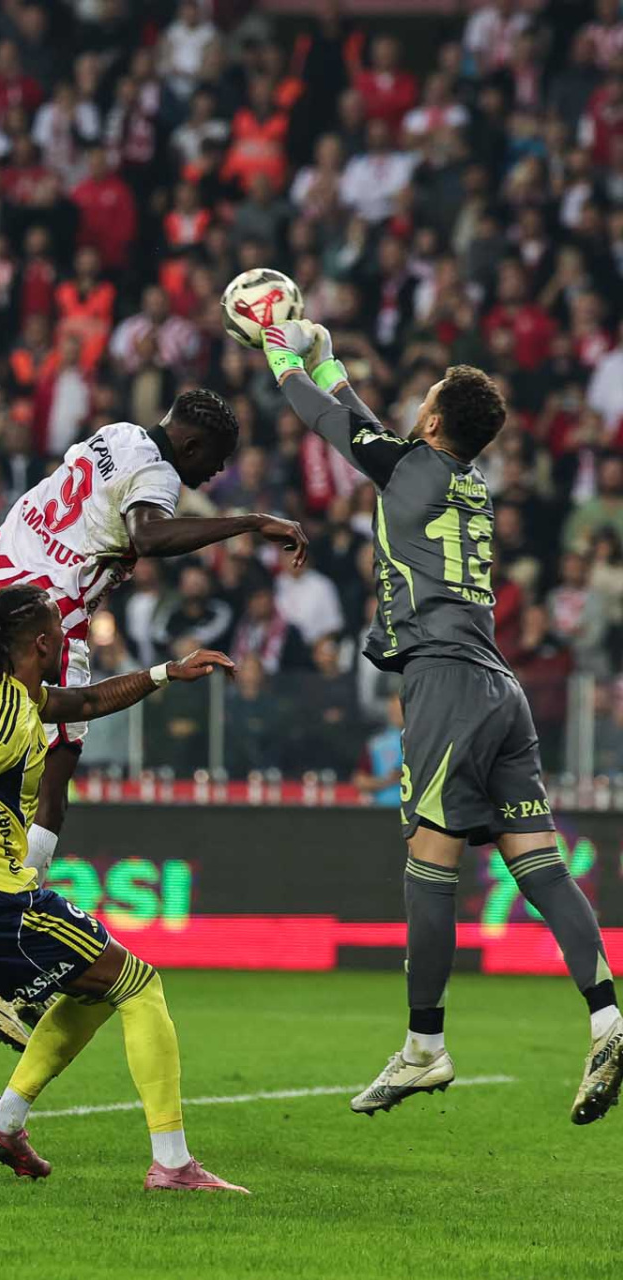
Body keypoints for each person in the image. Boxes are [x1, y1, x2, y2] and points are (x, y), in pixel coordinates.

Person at [262, 320, 623, 1124]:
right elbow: (367, 423)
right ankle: (607, 1015)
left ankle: (426, 1046)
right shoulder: (462, 481)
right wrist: (332, 360)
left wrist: (279, 353)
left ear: (430, 425)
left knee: (430, 864)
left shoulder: (408, 469)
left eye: (420, 405)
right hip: (502, 688)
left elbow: (328, 421)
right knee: (541, 866)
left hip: (446, 685)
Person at [0, 388, 307, 1049]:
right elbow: (148, 532)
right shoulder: (158, 472)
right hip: (44, 612)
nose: (212, 477)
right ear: (194, 445)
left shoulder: (116, 434)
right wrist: (250, 521)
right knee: (54, 778)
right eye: (216, 461)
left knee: (10, 765)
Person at [0, 583, 247, 1193]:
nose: (69, 637)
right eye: (60, 630)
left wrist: (169, 671)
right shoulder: (3, 715)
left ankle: (5, 1124)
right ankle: (172, 1164)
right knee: (139, 983)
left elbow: (85, 701)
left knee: (93, 991)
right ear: (42, 642)